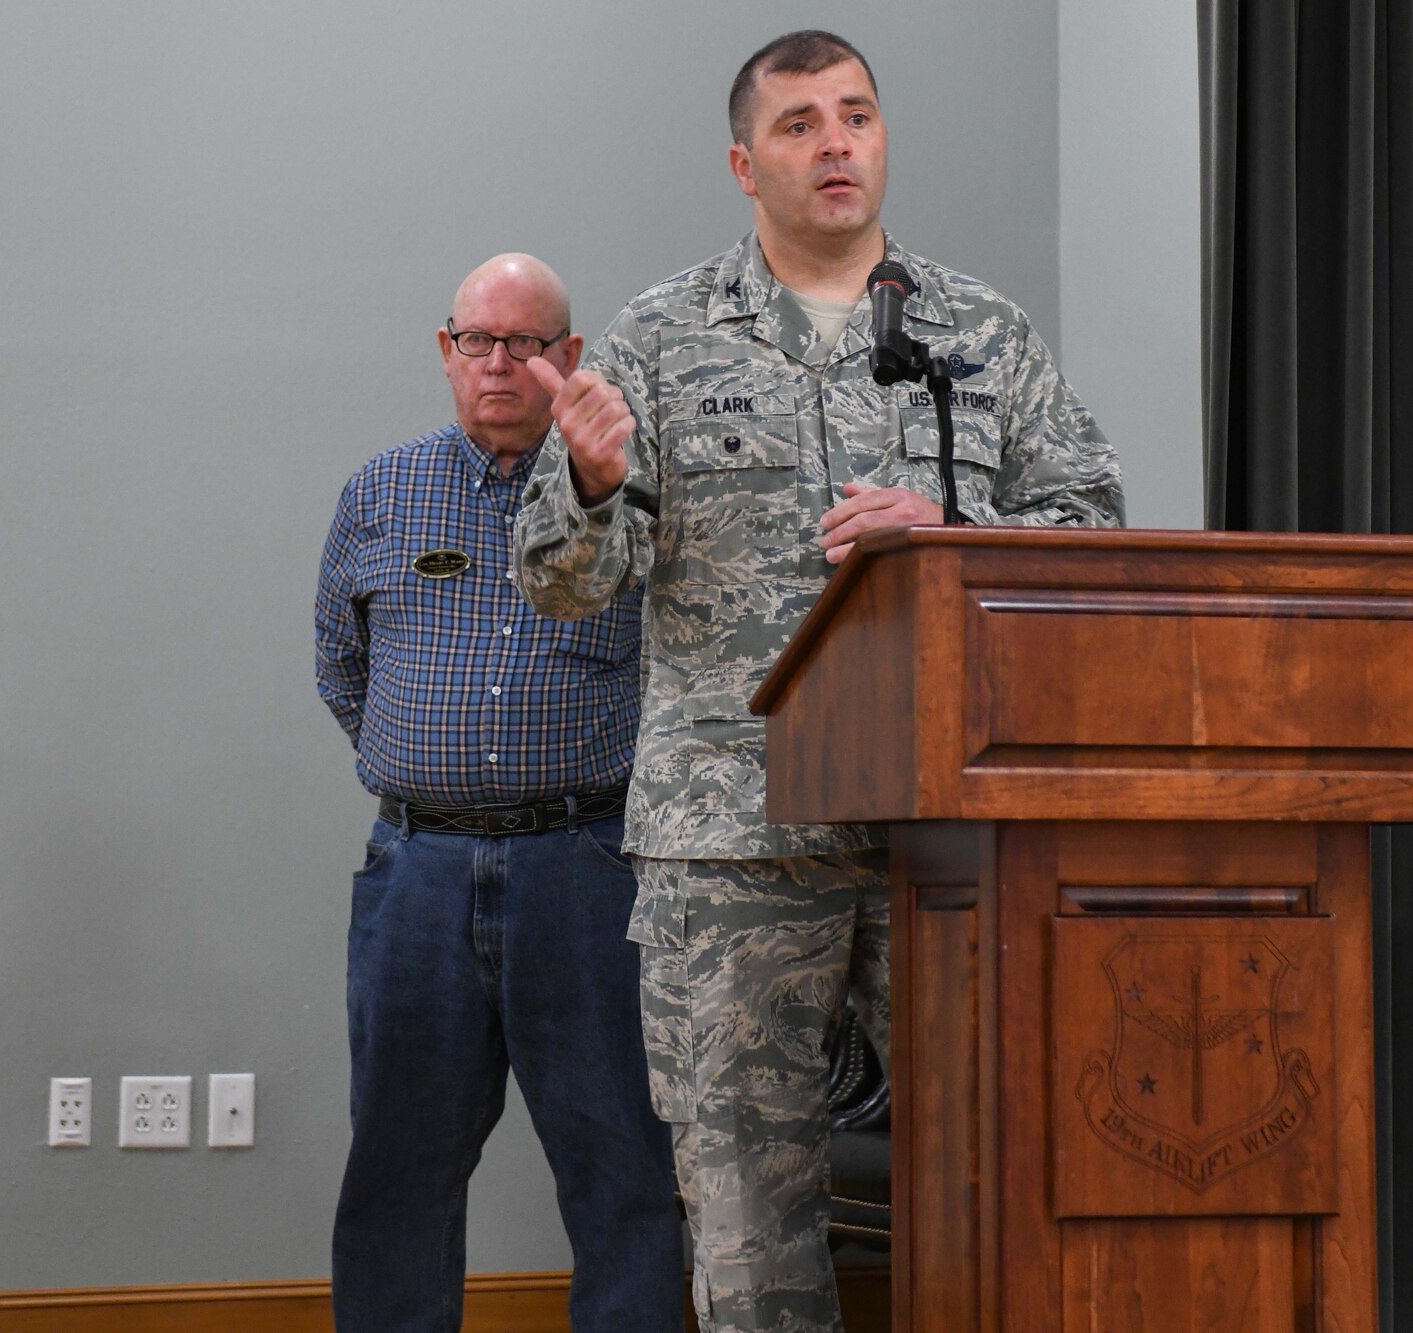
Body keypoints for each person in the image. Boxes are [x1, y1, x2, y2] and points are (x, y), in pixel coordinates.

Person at [513, 30, 1125, 1333]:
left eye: (856, 114)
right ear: (746, 163)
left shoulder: (977, 328)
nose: (836, 141)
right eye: (799, 123)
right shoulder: (665, 336)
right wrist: (594, 485)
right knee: (745, 1215)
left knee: (996, 1182)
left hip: (948, 833)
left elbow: (1089, 534)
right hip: (734, 833)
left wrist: (955, 536)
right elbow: (564, 583)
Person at [315, 254, 682, 1333]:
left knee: (621, 1162)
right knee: (396, 1165)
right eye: (478, 339)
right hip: (416, 874)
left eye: (527, 343)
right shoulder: (381, 491)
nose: (500, 363)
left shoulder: (627, 496)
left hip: (586, 868)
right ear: (446, 352)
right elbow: (342, 665)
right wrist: (429, 775)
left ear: (569, 358)